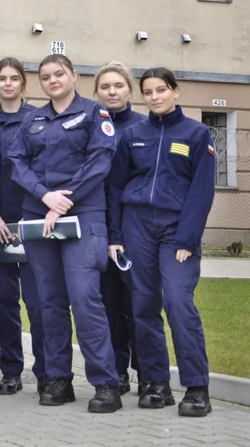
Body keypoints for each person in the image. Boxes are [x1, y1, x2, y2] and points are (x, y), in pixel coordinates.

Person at [8, 54, 123, 413]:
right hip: (39, 215)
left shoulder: (93, 114)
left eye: (59, 74)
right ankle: (58, 379)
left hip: (82, 215)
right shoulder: (32, 119)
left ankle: (106, 383)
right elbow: (17, 162)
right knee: (50, 302)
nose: (53, 80)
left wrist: (62, 202)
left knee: (85, 298)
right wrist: (45, 196)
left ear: (74, 75)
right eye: (46, 77)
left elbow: (99, 161)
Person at [107, 68, 215, 417]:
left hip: (176, 230)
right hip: (136, 226)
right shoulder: (133, 135)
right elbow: (115, 187)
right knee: (143, 305)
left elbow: (202, 190)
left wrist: (188, 238)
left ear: (175, 92)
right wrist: (115, 236)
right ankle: (156, 384)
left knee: (179, 302)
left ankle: (196, 388)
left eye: (161, 90)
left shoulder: (196, 134)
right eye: (148, 92)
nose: (154, 97)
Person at [0, 57, 45, 396]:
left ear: (23, 82)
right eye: (2, 78)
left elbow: (44, 169)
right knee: (5, 302)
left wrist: (31, 214)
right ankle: (10, 371)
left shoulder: (38, 120)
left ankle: (47, 371)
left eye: (14, 78)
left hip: (31, 224)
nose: (8, 84)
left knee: (38, 303)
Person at [94, 62, 147, 396]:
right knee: (108, 304)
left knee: (138, 304)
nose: (111, 92)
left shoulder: (143, 127)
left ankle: (147, 373)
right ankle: (117, 371)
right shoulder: (90, 124)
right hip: (96, 225)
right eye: (105, 87)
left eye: (118, 86)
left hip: (135, 228)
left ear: (130, 89)